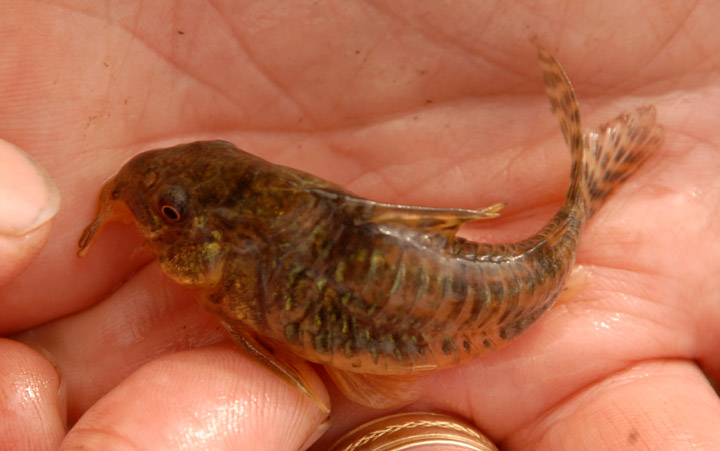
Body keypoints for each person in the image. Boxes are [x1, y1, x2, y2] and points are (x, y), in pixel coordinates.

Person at [1, 2, 719, 449]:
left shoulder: (240, 272)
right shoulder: (248, 242)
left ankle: (584, 196)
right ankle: (584, 193)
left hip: (505, 281)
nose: (160, 223)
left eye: (169, 218)